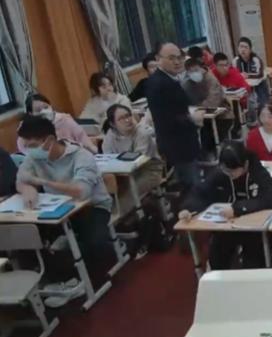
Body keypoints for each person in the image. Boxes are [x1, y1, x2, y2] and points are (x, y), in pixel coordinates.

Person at [16, 115, 115, 306]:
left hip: (92, 207)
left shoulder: (81, 156)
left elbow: (82, 192)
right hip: (58, 210)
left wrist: (42, 181)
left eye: (32, 145)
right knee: (26, 238)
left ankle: (86, 281)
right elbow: (22, 179)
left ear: (49, 140)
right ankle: (60, 277)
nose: (29, 150)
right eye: (26, 146)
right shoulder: (33, 157)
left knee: (94, 242)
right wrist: (28, 190)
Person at [178, 143, 272, 270]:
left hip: (253, 228)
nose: (228, 174)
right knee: (217, 256)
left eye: (232, 171)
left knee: (253, 263)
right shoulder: (222, 172)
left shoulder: (258, 172)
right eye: (225, 170)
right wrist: (188, 208)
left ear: (245, 165)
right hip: (226, 227)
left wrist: (238, 208)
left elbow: (270, 197)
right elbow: (200, 192)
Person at [147, 42, 205, 190]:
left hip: (180, 142)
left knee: (188, 184)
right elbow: (167, 119)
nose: (177, 62)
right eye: (172, 58)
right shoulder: (160, 83)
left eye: (179, 57)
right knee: (192, 188)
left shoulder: (168, 79)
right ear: (158, 59)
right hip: (178, 144)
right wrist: (192, 118)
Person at [101, 104, 165, 218]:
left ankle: (118, 220)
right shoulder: (110, 135)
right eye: (121, 118)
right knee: (106, 193)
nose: (127, 120)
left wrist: (117, 165)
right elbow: (107, 159)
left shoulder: (142, 133)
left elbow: (137, 160)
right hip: (121, 174)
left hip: (148, 171)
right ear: (112, 124)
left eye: (128, 115)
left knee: (125, 197)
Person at [183, 57, 233, 155]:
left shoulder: (211, 79)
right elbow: (183, 100)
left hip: (222, 115)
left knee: (210, 136)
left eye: (196, 70)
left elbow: (213, 102)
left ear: (201, 68)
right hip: (202, 116)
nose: (194, 73)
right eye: (190, 71)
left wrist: (197, 107)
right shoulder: (187, 83)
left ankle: (215, 154)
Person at [17, 94, 95, 153]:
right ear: (31, 114)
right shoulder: (27, 128)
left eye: (46, 107)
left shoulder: (64, 120)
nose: (44, 111)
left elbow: (83, 138)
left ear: (50, 106)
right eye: (38, 110)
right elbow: (23, 147)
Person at [234, 37, 271, 106]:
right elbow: (234, 74)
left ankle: (263, 105)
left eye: (246, 47)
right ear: (238, 48)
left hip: (259, 84)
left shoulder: (256, 59)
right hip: (245, 84)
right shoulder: (236, 60)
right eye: (241, 47)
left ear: (250, 50)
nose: (243, 49)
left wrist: (248, 75)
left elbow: (260, 74)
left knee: (262, 103)